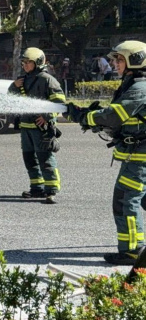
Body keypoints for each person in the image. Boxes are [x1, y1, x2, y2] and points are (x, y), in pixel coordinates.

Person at [66, 41, 146, 265]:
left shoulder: (140, 88)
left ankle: (131, 250)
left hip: (140, 155)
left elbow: (113, 116)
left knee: (125, 200)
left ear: (135, 61)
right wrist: (91, 114)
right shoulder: (133, 84)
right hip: (138, 151)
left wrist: (84, 117)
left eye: (119, 59)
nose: (114, 64)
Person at [9, 47, 66, 204]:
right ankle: (37, 189)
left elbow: (60, 102)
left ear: (38, 62)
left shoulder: (47, 80)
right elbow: (10, 98)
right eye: (24, 63)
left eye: (28, 62)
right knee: (30, 160)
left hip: (41, 129)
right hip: (26, 128)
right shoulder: (22, 80)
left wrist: (47, 116)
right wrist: (14, 86)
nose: (25, 65)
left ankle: (51, 191)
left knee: (45, 159)